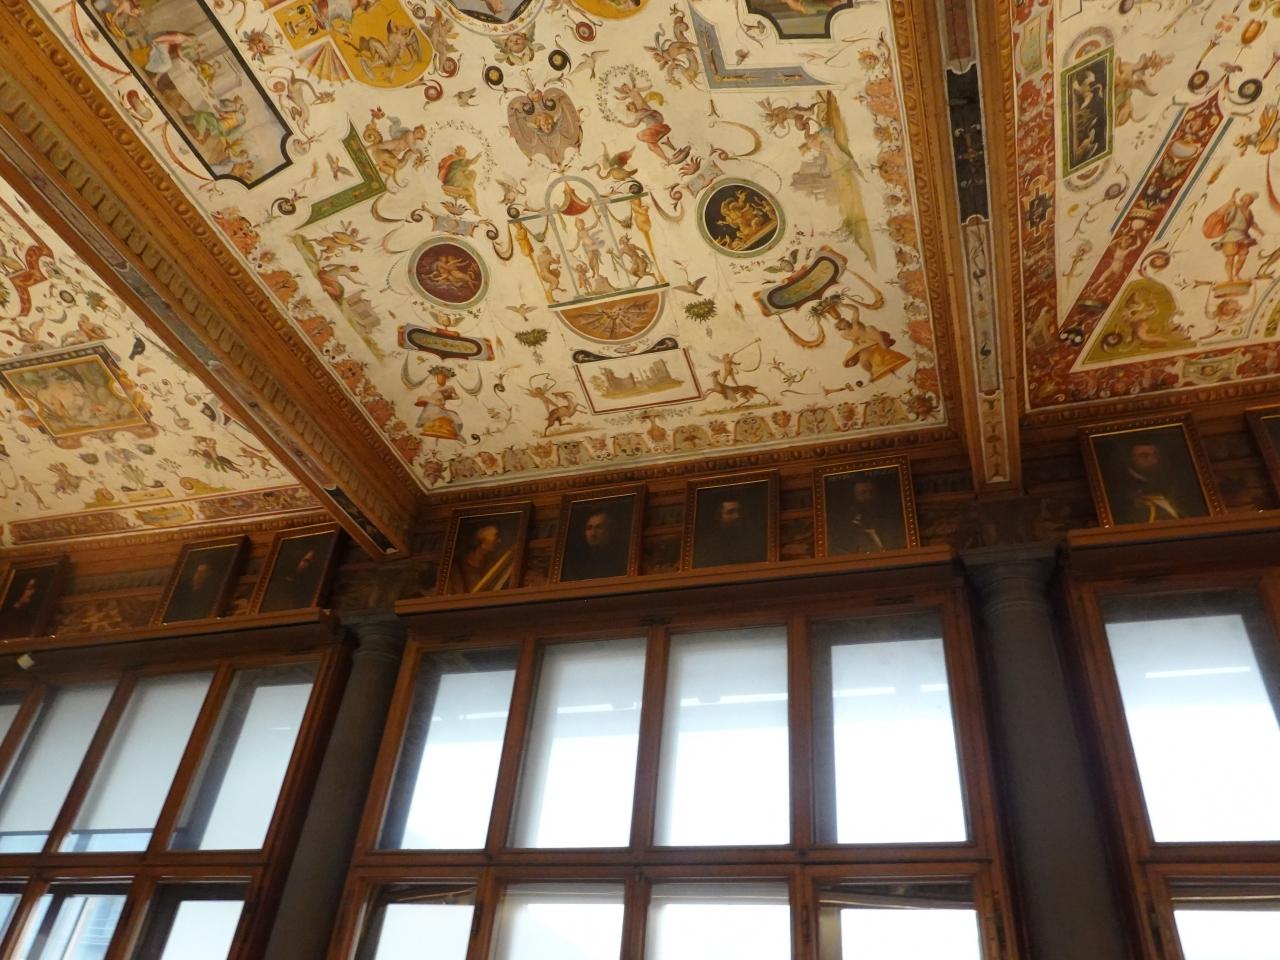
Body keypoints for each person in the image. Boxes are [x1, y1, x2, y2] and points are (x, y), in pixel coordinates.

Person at [1108, 440, 1186, 524]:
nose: (1152, 460)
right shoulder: (1122, 485)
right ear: (1131, 459)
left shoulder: (1168, 479)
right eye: (1144, 456)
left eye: (1154, 455)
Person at [828, 476, 905, 555]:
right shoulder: (844, 523)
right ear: (854, 496)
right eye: (863, 493)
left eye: (871, 492)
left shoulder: (889, 520)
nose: (869, 496)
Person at [692, 490, 767, 568]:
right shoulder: (709, 546)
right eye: (730, 512)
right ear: (719, 516)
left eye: (740, 511)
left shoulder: (755, 539)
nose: (738, 516)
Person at [560, 505, 629, 582]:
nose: (593, 534)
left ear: (611, 530)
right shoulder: (577, 563)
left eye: (599, 527)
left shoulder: (622, 559)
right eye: (589, 528)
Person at [448, 522, 516, 593]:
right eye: (495, 536)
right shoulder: (459, 564)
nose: (499, 541)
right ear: (483, 539)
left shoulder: (491, 563)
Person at [261, 544, 323, 612]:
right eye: (306, 561)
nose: (308, 565)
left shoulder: (310, 586)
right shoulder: (277, 585)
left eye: (310, 562)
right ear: (297, 560)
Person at [164, 554, 225, 622]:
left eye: (203, 573)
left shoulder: (209, 594)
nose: (199, 575)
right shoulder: (183, 591)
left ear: (208, 575)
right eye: (198, 572)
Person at [0, 575, 43, 639]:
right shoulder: (6, 615)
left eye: (35, 589)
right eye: (30, 588)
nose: (33, 592)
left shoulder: (34, 616)